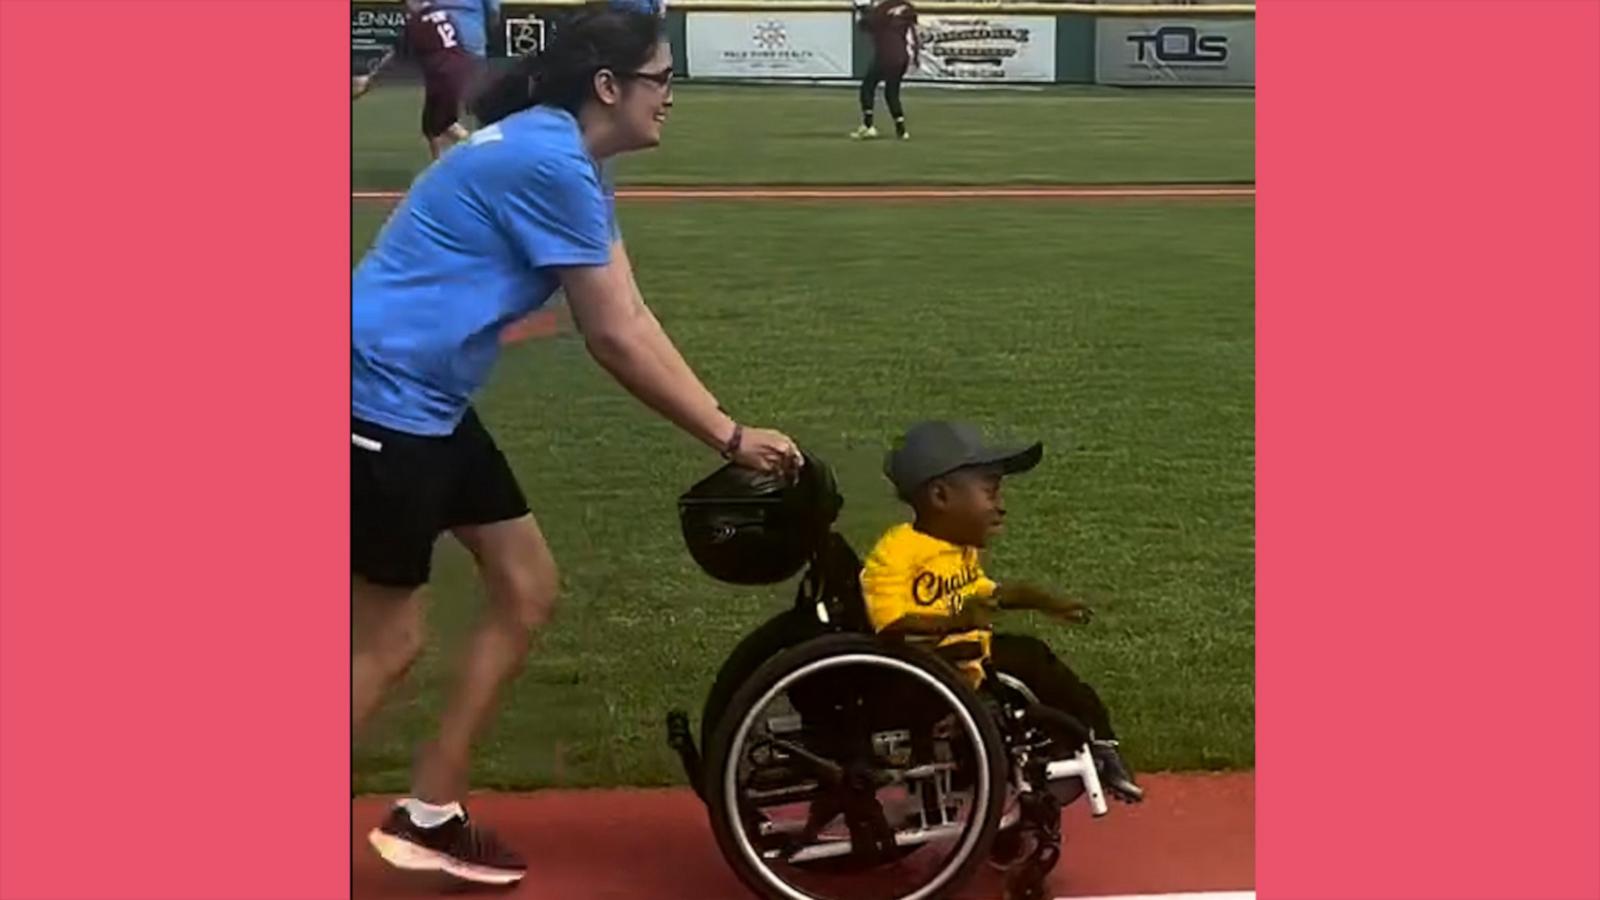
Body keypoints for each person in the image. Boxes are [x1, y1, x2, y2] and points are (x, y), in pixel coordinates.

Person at [352, 10, 803, 886]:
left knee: (526, 587)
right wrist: (729, 435)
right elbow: (615, 338)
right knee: (388, 640)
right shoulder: (549, 161)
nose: (672, 98)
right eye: (661, 80)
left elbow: (629, 314)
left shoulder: (565, 158)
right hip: (374, 398)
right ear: (608, 87)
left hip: (427, 401)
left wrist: (724, 423)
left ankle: (430, 812)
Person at [859, 421, 1144, 805]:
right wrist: (955, 622)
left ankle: (1098, 741)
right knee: (1019, 669)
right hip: (925, 672)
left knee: (1035, 657)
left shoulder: (955, 550)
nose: (1001, 505)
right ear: (941, 496)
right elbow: (889, 626)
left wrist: (1045, 601)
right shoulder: (895, 554)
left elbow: (985, 594)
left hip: (963, 662)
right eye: (990, 491)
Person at [403, 0, 501, 159]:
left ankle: (482, 152)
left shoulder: (421, 19)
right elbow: (494, 12)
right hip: (470, 40)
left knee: (445, 119)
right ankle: (443, 165)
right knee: (442, 119)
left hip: (449, 53)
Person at [851, 0, 920, 141]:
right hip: (902, 55)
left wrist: (861, 12)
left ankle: (868, 125)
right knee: (892, 92)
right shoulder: (907, 6)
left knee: (868, 86)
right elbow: (911, 26)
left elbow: (864, 26)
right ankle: (901, 131)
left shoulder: (880, 10)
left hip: (886, 55)